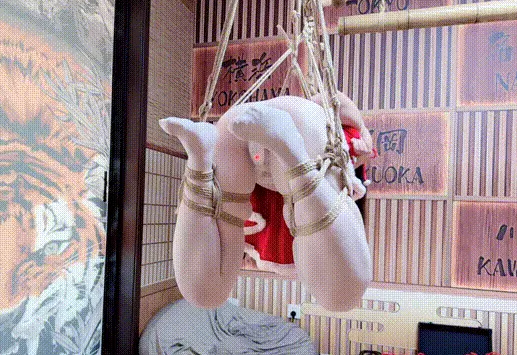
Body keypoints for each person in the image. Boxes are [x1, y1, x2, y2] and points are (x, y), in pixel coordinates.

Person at [160, 92, 373, 312]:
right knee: (342, 299)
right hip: (291, 120)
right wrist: (364, 135)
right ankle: (291, 153)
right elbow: (332, 99)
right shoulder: (344, 132)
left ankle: (199, 159)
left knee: (205, 296)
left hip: (237, 128)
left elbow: (334, 101)